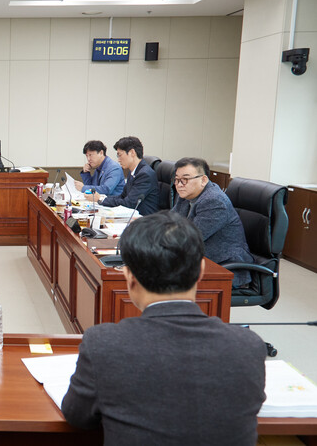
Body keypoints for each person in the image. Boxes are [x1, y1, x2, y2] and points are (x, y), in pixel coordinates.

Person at [61, 211, 266, 445]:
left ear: (129, 277)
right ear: (201, 271)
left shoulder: (103, 344)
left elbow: (77, 416)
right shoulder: (249, 345)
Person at [172, 157, 254, 286]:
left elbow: (190, 238)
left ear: (203, 180)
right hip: (198, 258)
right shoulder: (186, 195)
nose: (179, 184)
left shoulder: (214, 201)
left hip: (222, 267)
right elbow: (169, 221)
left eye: (185, 179)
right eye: (177, 179)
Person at [87, 136, 159, 215]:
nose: (118, 159)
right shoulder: (133, 172)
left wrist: (101, 199)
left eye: (120, 155)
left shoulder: (144, 175)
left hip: (144, 218)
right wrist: (102, 199)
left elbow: (129, 203)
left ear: (132, 153)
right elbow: (122, 196)